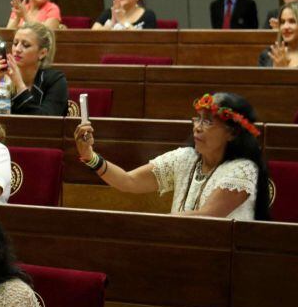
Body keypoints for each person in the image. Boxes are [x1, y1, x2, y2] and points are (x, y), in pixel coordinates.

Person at [74, 92, 271, 219]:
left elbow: (207, 217)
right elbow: (129, 181)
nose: (197, 127)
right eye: (197, 119)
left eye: (208, 122)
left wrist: (151, 226)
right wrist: (90, 156)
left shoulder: (243, 169)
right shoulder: (185, 158)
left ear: (232, 133)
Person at [0, 22, 68, 116]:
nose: (17, 49)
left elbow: (46, 120)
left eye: (26, 45)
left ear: (42, 53)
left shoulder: (55, 80)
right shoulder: (5, 78)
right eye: (15, 43)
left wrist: (19, 84)